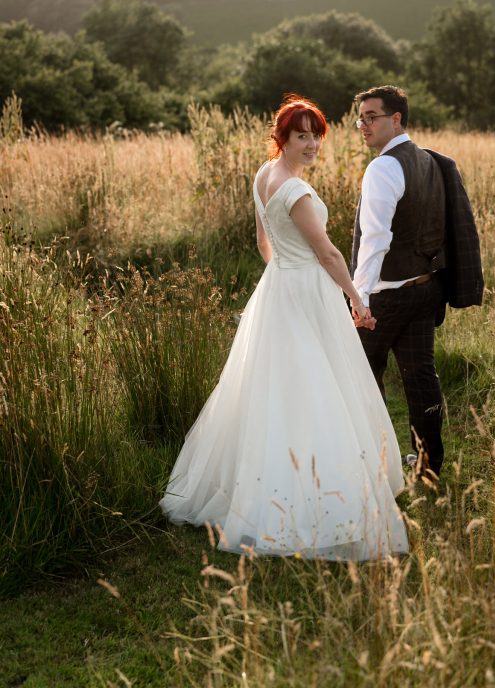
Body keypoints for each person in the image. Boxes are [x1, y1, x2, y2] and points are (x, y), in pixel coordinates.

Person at [160, 94, 408, 560]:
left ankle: (253, 487)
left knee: (274, 386)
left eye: (316, 135)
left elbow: (263, 241)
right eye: (302, 136)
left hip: (279, 290)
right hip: (304, 294)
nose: (312, 144)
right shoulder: (294, 191)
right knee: (316, 386)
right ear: (283, 139)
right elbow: (329, 253)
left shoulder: (263, 176)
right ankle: (311, 502)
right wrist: (356, 299)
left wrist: (282, 278)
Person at [351, 85, 483, 483]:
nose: (363, 125)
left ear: (397, 119)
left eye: (372, 116)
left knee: (357, 376)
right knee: (420, 376)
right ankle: (428, 467)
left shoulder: (383, 168)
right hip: (426, 289)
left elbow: (374, 241)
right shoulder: (430, 161)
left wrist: (359, 298)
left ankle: (366, 468)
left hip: (387, 296)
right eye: (360, 117)